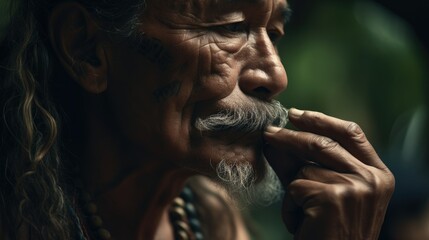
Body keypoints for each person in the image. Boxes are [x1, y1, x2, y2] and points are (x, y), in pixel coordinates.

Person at [0, 0, 395, 239]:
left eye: (273, 33)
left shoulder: (209, 221)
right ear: (85, 48)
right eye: (229, 27)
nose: (275, 76)